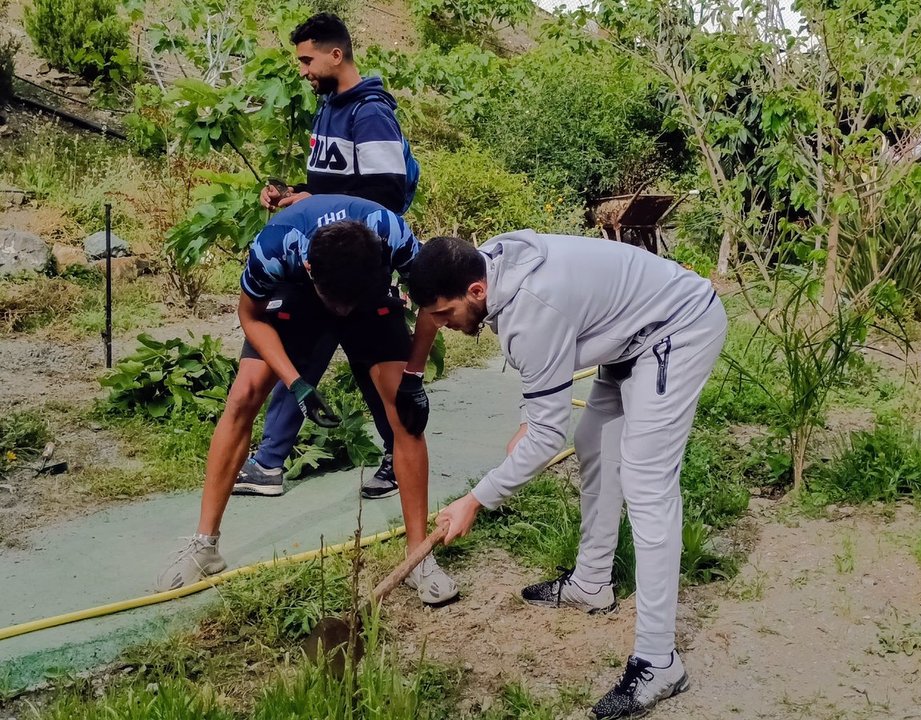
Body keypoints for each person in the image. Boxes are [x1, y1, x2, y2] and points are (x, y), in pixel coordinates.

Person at [409, 231, 727, 719]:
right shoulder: (492, 268)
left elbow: (544, 437)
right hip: (628, 335)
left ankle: (659, 660)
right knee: (593, 442)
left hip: (676, 328)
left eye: (444, 314)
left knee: (646, 480)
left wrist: (474, 500)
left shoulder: (532, 305)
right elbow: (543, 372)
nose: (443, 326)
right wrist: (526, 419)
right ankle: (592, 582)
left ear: (475, 291)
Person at [156, 194, 458, 607]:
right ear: (311, 266)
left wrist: (414, 376)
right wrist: (296, 382)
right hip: (301, 298)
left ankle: (417, 556)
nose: (342, 311)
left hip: (371, 302)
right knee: (243, 396)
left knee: (405, 416)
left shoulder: (392, 233)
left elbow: (432, 300)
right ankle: (204, 545)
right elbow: (250, 316)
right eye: (338, 302)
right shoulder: (275, 245)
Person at [239, 12, 418, 500]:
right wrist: (294, 193)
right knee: (300, 351)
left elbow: (384, 193)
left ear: (335, 54)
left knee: (375, 363)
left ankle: (397, 454)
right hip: (321, 253)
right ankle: (270, 462)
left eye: (307, 59)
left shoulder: (371, 112)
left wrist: (314, 205)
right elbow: (331, 183)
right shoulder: (329, 106)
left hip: (357, 261)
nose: (303, 70)